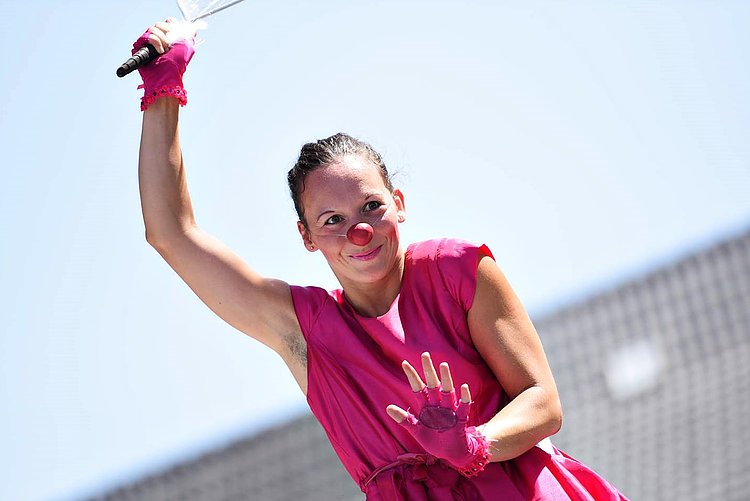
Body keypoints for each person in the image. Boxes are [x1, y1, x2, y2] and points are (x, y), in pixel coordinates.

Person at [133, 19, 630, 500]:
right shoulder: (306, 331)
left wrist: (475, 444)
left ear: (399, 203)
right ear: (307, 237)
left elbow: (542, 401)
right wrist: (163, 92)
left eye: (371, 206)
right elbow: (172, 234)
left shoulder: (456, 270)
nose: (360, 232)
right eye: (333, 220)